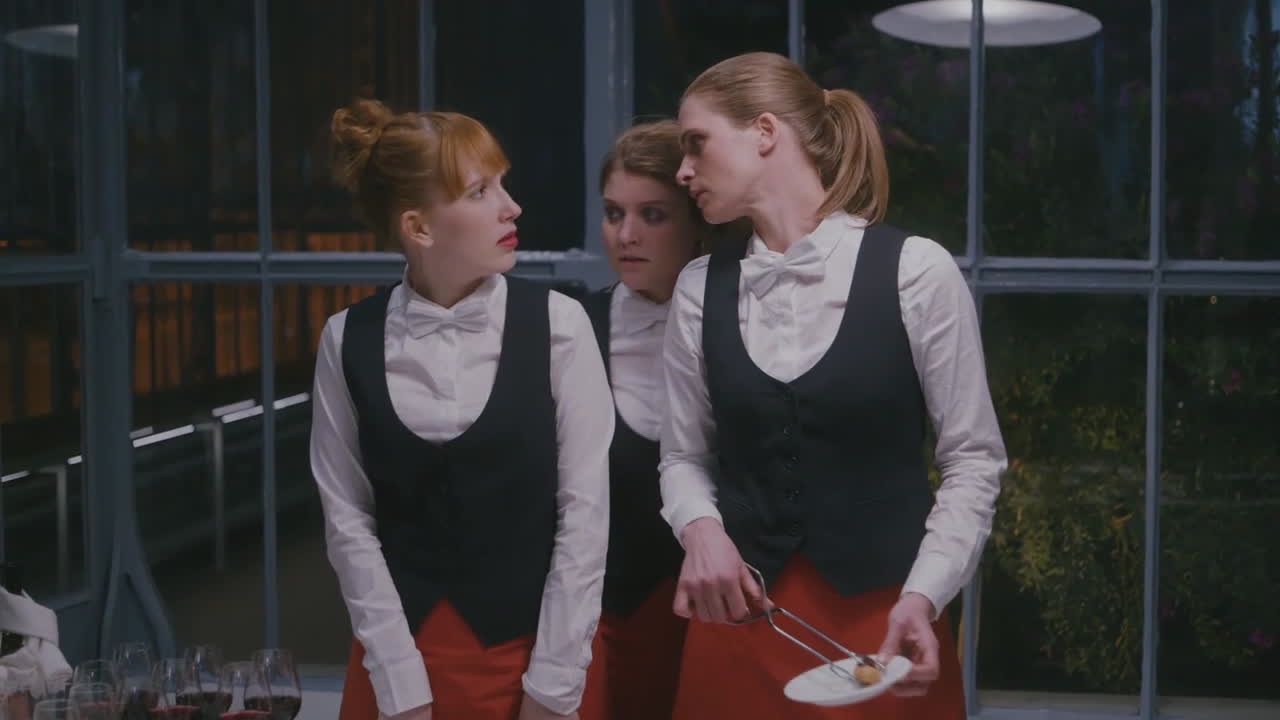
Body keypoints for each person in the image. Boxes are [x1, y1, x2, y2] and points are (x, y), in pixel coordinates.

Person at [658, 51, 1007, 718]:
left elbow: (973, 461)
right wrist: (701, 531)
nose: (683, 170)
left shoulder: (917, 272)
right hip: (737, 627)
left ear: (765, 132)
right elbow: (683, 455)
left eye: (696, 143)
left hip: (886, 624)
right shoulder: (699, 289)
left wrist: (924, 596)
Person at [311, 98, 613, 720]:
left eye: (502, 183)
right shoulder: (347, 338)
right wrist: (399, 686)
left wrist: (553, 688)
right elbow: (347, 523)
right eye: (480, 191)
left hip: (534, 660)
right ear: (419, 228)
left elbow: (586, 517)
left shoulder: (560, 325)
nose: (511, 207)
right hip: (396, 667)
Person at [582, 119, 734, 719]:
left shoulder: (747, 328)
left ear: (698, 222)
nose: (626, 235)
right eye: (613, 213)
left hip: (728, 618)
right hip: (607, 623)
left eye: (653, 215)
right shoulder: (572, 330)